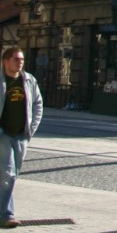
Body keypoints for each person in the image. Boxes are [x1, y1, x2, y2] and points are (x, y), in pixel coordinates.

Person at [0, 47, 42, 229]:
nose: (20, 62)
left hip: (21, 135)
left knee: (13, 174)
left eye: (22, 59)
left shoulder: (29, 80)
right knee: (7, 174)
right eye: (16, 59)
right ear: (5, 61)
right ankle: (6, 215)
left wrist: (31, 129)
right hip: (3, 134)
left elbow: (38, 104)